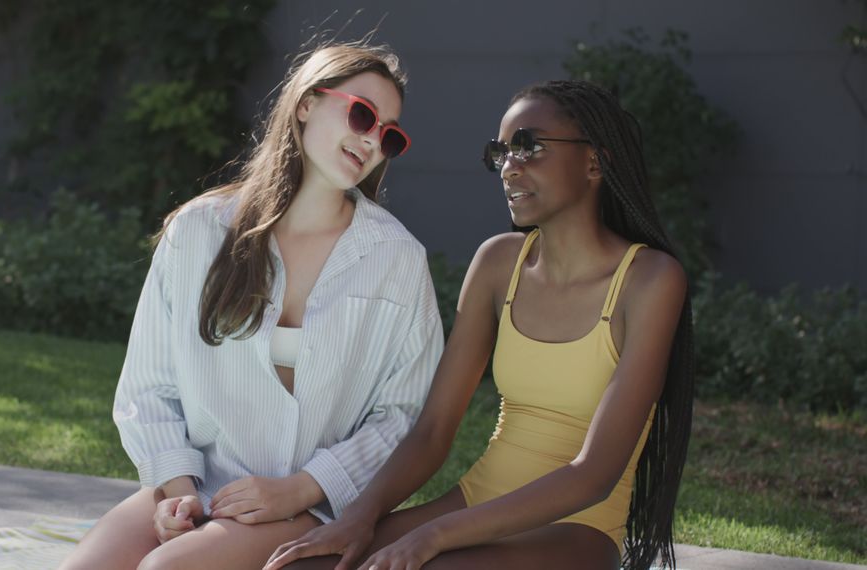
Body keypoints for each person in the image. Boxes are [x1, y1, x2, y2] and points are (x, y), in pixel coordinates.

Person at [265, 79, 695, 570]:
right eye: (502, 152)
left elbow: (592, 474)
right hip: (475, 503)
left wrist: (435, 536)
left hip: (577, 529)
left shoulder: (651, 280)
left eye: (529, 147)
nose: (510, 168)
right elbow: (432, 431)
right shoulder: (498, 262)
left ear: (594, 161)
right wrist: (360, 517)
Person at [58, 42, 443, 570]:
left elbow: (402, 416)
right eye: (361, 114)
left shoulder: (397, 259)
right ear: (306, 103)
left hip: (315, 505)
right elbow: (150, 384)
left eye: (389, 135)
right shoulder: (198, 230)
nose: (372, 139)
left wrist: (303, 490)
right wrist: (177, 489)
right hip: (202, 483)